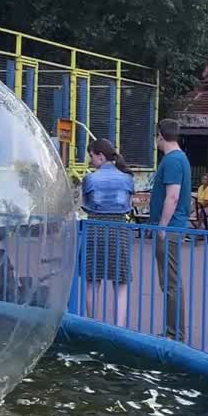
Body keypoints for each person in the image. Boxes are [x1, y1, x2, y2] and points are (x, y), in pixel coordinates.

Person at [81, 138, 134, 326]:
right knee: (120, 283)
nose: (90, 161)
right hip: (119, 230)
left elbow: (85, 205)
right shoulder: (128, 178)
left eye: (91, 156)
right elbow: (128, 205)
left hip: (94, 229)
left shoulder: (90, 179)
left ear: (100, 156)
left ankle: (92, 324)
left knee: (92, 280)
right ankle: (119, 327)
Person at [149, 119, 191, 340]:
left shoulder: (173, 161)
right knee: (170, 281)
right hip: (174, 226)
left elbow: (172, 196)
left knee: (170, 281)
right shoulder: (179, 159)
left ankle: (174, 332)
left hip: (169, 227)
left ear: (160, 135)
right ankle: (173, 330)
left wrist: (162, 227)